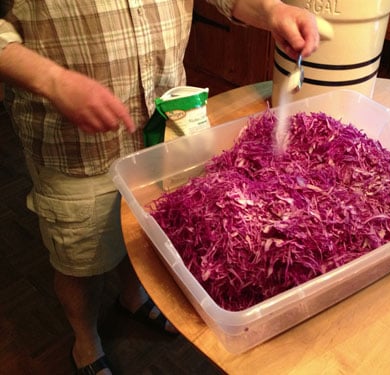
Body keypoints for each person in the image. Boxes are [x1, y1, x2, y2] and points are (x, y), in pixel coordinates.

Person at [0, 0, 318, 374]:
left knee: (144, 231)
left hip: (165, 132)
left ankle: (132, 297)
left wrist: (270, 10)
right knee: (81, 261)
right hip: (75, 147)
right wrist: (52, 80)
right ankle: (85, 340)